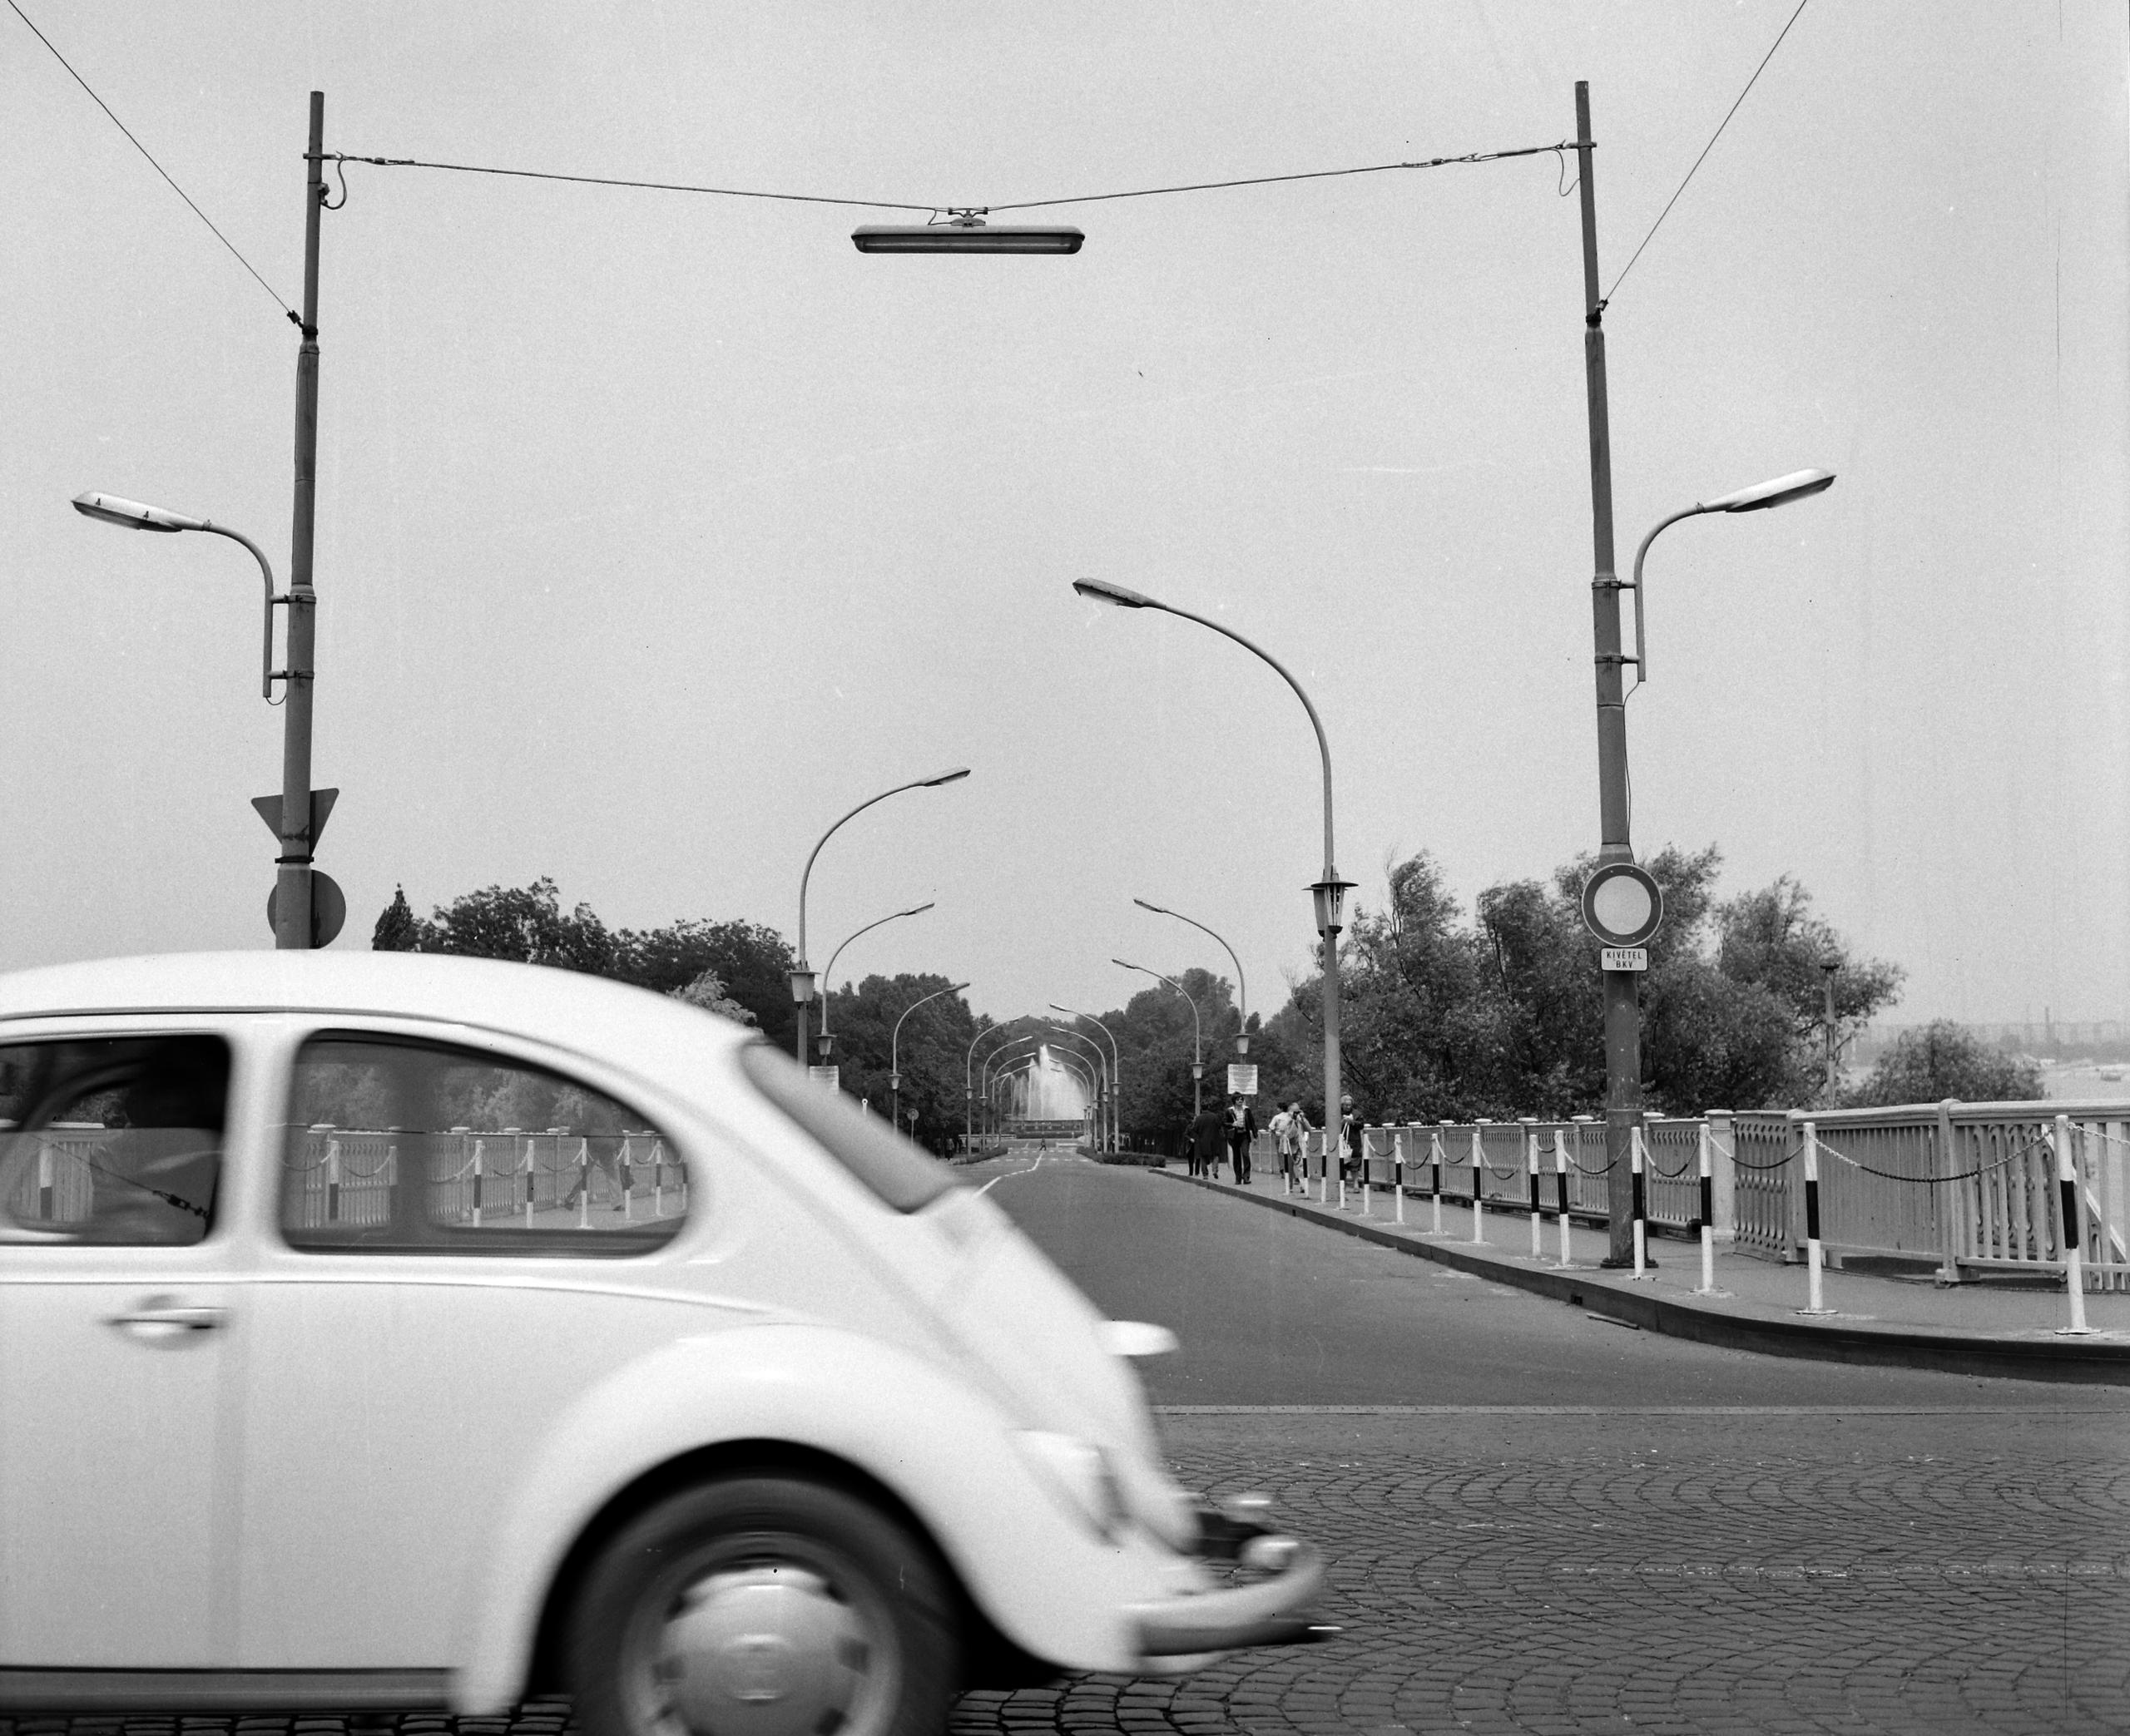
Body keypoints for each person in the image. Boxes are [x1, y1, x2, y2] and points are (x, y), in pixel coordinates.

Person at [1223, 1093, 1256, 1185]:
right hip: (1234, 1136)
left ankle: (1246, 1177)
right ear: (1234, 1101)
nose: (1240, 1101)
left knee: (1245, 1154)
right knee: (1236, 1156)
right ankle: (1238, 1178)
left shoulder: (1247, 1110)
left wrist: (1255, 1136)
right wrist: (1232, 1124)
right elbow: (1224, 1122)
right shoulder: (1229, 1111)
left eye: (1241, 1099)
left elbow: (1252, 1123)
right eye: (1238, 1099)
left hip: (1245, 1135)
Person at [1186, 1103, 1224, 1179]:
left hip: (1203, 1140)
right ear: (1208, 1107)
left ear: (1201, 1108)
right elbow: (1219, 1126)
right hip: (1214, 1139)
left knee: (1203, 1156)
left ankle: (1205, 1174)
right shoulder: (1215, 1116)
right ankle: (1214, 1170)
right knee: (1215, 1155)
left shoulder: (1198, 1118)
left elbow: (1195, 1129)